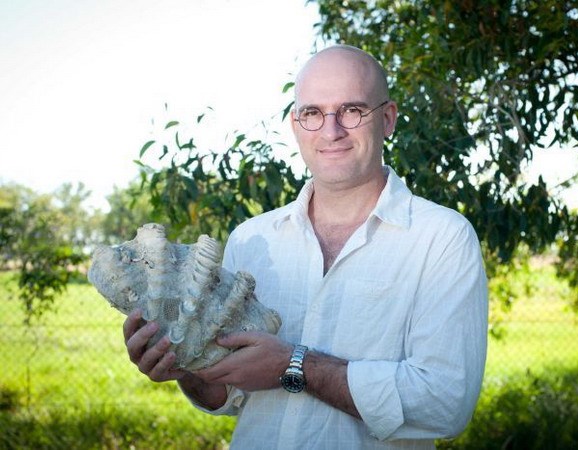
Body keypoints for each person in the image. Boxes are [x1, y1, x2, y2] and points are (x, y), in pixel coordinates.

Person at [123, 45, 488, 449]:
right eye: (313, 113)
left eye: (352, 110)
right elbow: (228, 395)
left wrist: (293, 365)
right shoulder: (252, 239)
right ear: (295, 124)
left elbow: (445, 404)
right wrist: (183, 365)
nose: (331, 132)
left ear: (387, 119)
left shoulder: (442, 238)